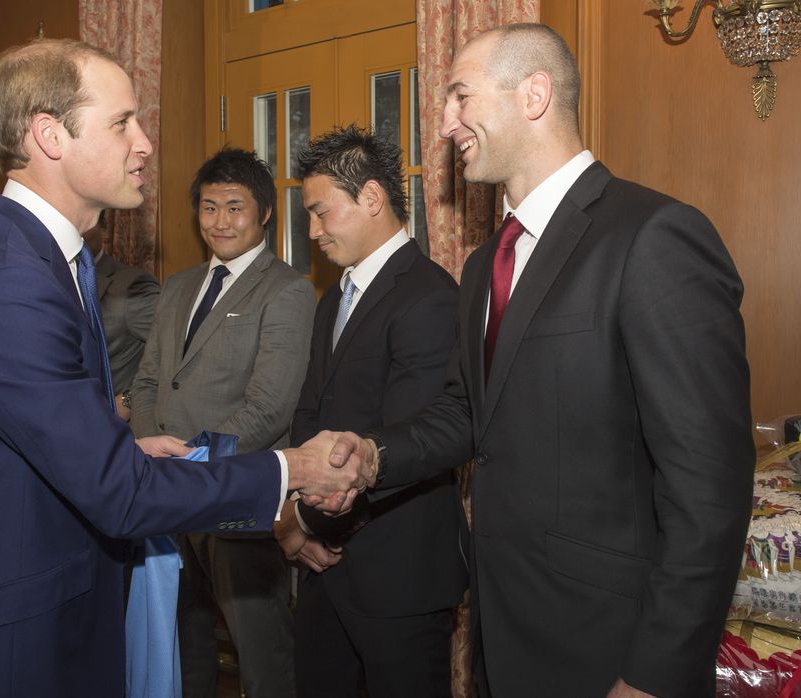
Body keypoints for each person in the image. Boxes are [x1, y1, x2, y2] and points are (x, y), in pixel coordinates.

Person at [0, 38, 367, 698]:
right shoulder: (11, 282)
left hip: (57, 608)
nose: (145, 143)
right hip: (14, 641)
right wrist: (291, 467)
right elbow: (116, 494)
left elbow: (46, 442)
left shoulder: (53, 263)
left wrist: (122, 446)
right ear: (48, 135)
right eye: (122, 122)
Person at [330, 23, 754, 698]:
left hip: (611, 647)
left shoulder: (653, 237)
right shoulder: (480, 267)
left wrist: (655, 672)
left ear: (534, 94)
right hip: (503, 630)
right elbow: (471, 413)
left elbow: (710, 489)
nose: (445, 124)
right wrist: (375, 454)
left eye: (461, 98)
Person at [274, 125, 467, 698]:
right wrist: (296, 520)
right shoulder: (333, 296)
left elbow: (410, 440)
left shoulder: (430, 295)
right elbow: (307, 414)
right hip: (324, 568)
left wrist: (301, 523)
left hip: (399, 576)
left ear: (373, 198)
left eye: (321, 212)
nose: (312, 231)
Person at [130, 146, 315, 698]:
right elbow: (147, 384)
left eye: (235, 207)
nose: (220, 221)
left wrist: (195, 464)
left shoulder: (287, 290)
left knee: (261, 651)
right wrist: (149, 451)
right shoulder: (178, 287)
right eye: (209, 208)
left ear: (263, 213)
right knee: (184, 643)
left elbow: (269, 408)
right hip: (167, 495)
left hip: (237, 498)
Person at [83, 214, 160, 420]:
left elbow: (179, 355)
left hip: (109, 430)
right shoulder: (43, 276)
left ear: (103, 228)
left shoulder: (131, 286)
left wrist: (128, 400)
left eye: (85, 220)